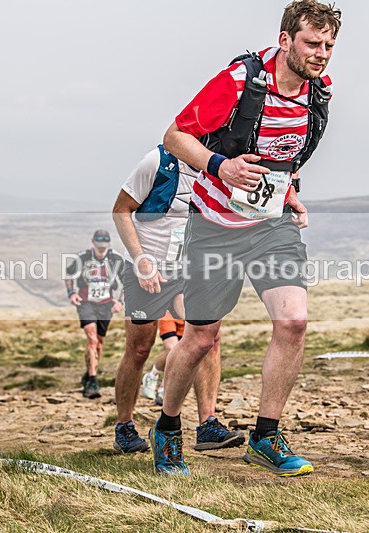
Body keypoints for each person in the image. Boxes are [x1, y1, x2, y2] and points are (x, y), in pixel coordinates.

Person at [149, 0, 341, 476]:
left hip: (270, 226)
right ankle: (168, 428)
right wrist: (221, 166)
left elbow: (283, 155)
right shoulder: (239, 83)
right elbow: (175, 137)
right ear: (285, 41)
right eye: (312, 43)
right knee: (200, 338)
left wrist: (289, 190)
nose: (321, 54)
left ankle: (265, 436)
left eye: (329, 46)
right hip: (213, 225)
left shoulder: (320, 92)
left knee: (293, 322)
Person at [112, 146, 244, 455]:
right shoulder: (158, 162)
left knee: (208, 337)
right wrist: (141, 260)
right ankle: (124, 426)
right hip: (148, 270)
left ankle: (208, 424)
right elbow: (120, 210)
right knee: (140, 347)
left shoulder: (220, 167)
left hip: (189, 271)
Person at [64, 230, 125, 399]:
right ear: (93, 243)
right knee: (92, 339)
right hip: (86, 302)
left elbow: (127, 280)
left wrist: (121, 301)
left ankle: (88, 373)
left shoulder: (116, 259)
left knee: (99, 344)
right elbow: (68, 273)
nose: (101, 248)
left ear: (108, 244)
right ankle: (92, 381)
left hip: (106, 304)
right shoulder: (83, 258)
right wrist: (71, 292)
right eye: (98, 245)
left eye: (104, 245)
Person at [141, 311, 185, 405]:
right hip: (168, 312)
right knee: (172, 349)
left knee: (182, 353)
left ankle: (164, 385)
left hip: (189, 315)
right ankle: (154, 377)